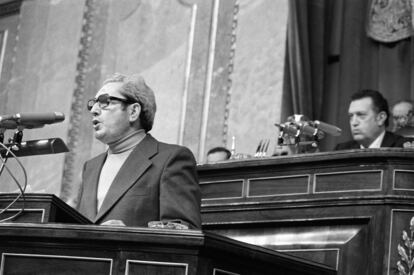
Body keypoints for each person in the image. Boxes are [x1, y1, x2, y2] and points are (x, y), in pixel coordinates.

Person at [77, 73, 201, 229]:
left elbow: (185, 230)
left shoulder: (171, 159)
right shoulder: (90, 167)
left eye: (104, 102)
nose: (94, 110)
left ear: (133, 111)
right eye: (93, 104)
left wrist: (130, 235)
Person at [335, 89, 409, 150]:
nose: (354, 123)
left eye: (361, 115)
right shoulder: (341, 150)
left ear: (381, 118)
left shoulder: (404, 148)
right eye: (351, 116)